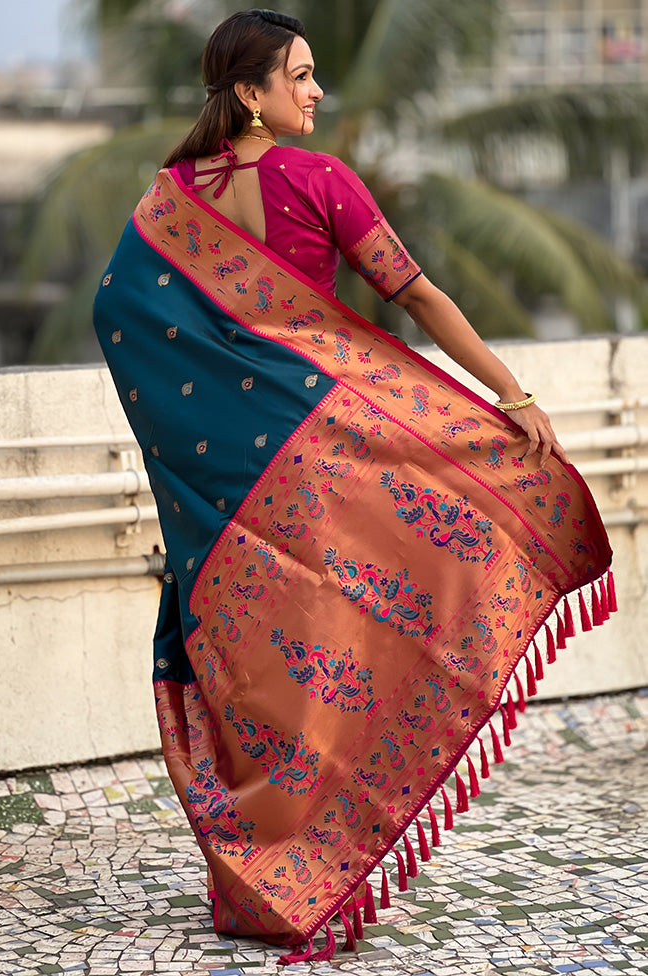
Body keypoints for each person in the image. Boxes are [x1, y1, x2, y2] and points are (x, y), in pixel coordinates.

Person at [93, 8, 614, 963]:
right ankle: (313, 871)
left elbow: (116, 314)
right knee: (350, 640)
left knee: (259, 665)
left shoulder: (168, 200)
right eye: (300, 75)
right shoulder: (317, 178)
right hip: (327, 457)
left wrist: (195, 443)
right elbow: (412, 294)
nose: (317, 90)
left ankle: (261, 883)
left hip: (230, 483)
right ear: (250, 93)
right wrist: (511, 392)